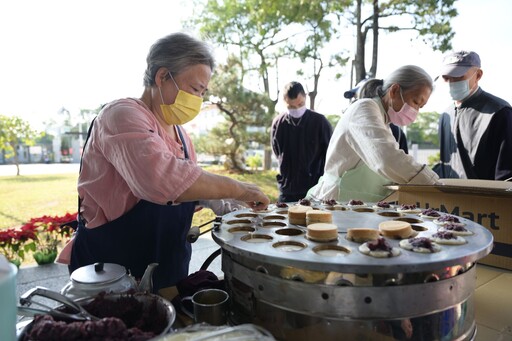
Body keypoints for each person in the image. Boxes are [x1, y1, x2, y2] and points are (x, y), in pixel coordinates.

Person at [56, 32, 270, 293]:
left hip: (168, 268)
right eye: (194, 89)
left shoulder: (180, 133)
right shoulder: (122, 115)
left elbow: (189, 180)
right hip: (113, 273)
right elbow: (161, 180)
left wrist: (225, 204)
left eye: (203, 92)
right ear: (162, 76)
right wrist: (240, 189)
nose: (198, 100)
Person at [307, 65, 440, 202]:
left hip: (357, 206)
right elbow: (387, 158)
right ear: (394, 91)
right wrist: (434, 184)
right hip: (336, 203)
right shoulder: (364, 108)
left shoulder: (384, 122)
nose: (415, 111)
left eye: (420, 107)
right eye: (416, 102)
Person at [436, 50, 512, 180]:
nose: (452, 82)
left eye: (458, 76)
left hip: (486, 199)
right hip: (449, 198)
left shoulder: (499, 112)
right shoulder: (445, 116)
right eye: (447, 77)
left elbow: (506, 176)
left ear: (478, 75)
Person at [271, 81, 333, 202]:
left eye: (300, 104)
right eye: (291, 107)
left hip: (314, 190)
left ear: (305, 98)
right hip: (287, 189)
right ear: (285, 102)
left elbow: (330, 155)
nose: (297, 109)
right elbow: (277, 152)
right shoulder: (279, 123)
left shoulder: (320, 122)